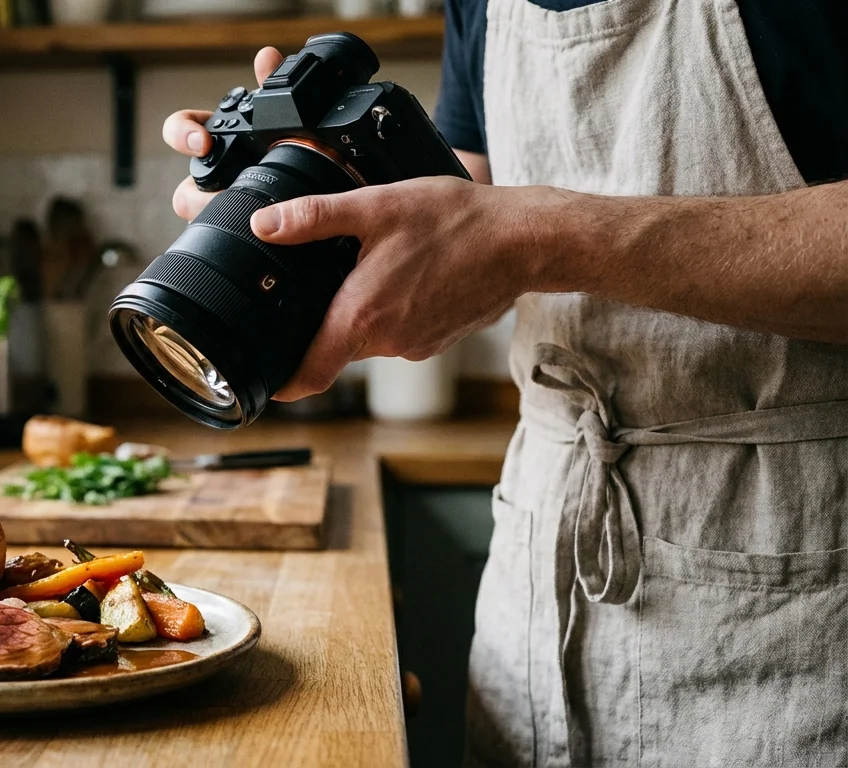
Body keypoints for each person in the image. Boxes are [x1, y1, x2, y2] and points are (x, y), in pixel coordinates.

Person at [163, 1, 848, 765]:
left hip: (797, 583)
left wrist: (538, 239)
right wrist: (296, 182)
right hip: (540, 569)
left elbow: (506, 231)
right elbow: (458, 213)